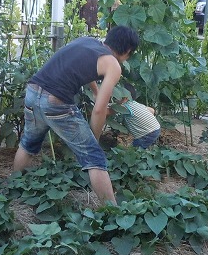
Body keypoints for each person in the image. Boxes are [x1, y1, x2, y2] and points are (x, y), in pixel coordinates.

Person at [12, 26, 139, 203]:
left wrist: (95, 92)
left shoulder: (88, 41)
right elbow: (99, 110)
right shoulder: (113, 65)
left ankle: (11, 192)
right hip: (55, 101)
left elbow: (83, 66)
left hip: (33, 92)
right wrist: (93, 139)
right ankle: (113, 214)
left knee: (28, 144)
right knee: (95, 158)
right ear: (127, 50)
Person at [113, 84, 160, 149]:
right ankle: (150, 149)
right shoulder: (135, 104)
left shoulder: (124, 106)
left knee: (135, 150)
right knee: (143, 145)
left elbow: (110, 109)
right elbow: (152, 110)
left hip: (146, 134)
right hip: (156, 128)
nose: (114, 96)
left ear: (125, 98)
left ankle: (141, 155)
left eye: (116, 94)